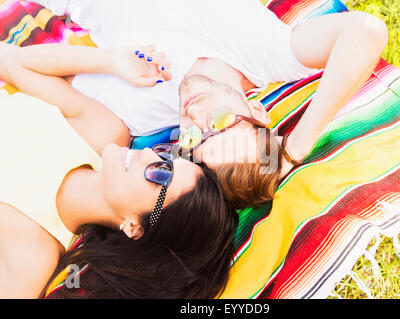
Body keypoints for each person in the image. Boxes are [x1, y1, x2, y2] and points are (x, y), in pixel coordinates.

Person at [30, 0, 389, 208]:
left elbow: (33, 70)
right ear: (257, 111)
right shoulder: (270, 55)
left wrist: (109, 61)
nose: (196, 117)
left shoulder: (139, 111)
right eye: (219, 122)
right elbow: (366, 31)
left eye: (194, 140)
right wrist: (294, 148)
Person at [0, 44, 238, 298]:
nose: (147, 154)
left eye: (160, 174)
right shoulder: (103, 132)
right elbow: (14, 63)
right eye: (164, 156)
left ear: (134, 227)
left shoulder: (32, 257)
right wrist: (112, 60)